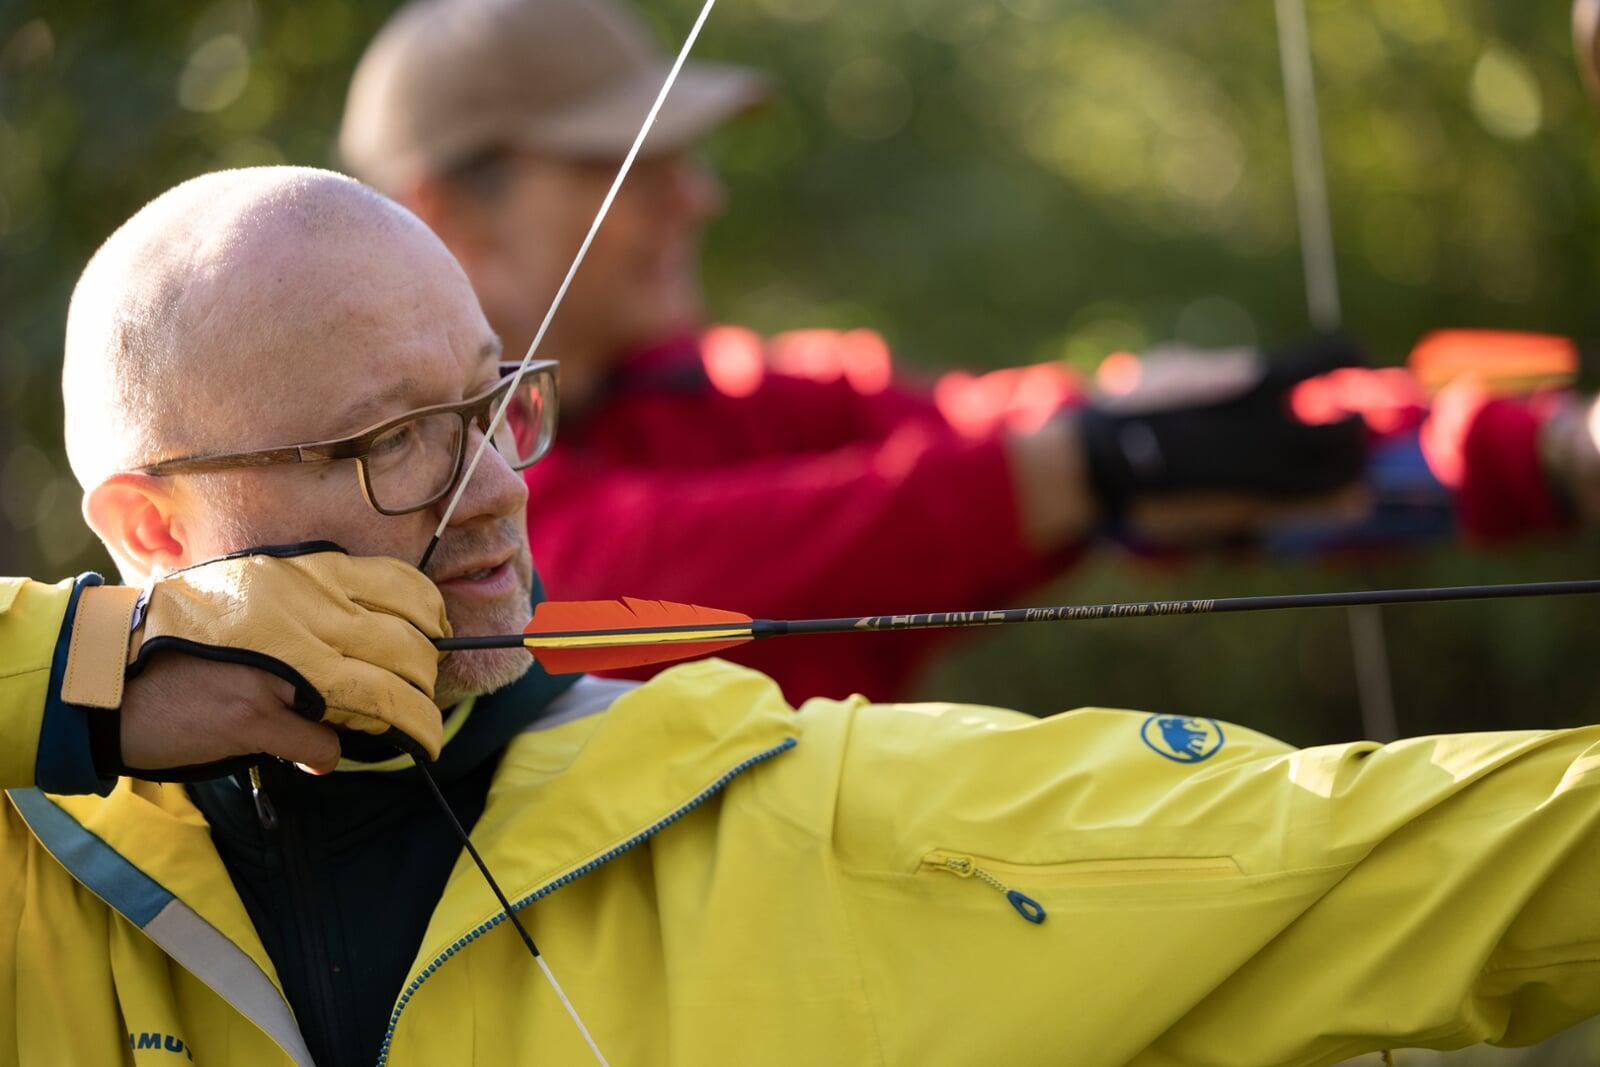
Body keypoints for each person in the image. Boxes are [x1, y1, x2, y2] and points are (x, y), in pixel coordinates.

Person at [5, 164, 1600, 1067]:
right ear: (148, 527)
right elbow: (901, 499)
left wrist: (1519, 450)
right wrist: (79, 671)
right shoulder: (43, 882)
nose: (493, 488)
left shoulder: (803, 818)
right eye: (388, 443)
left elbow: (1405, 852)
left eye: (496, 399)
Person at [337, 0, 1400, 703]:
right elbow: (577, 586)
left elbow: (992, 430)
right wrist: (1085, 467)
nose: (696, 194)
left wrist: (1540, 449)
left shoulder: (719, 396)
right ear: (450, 214)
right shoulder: (380, 487)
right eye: (623, 164)